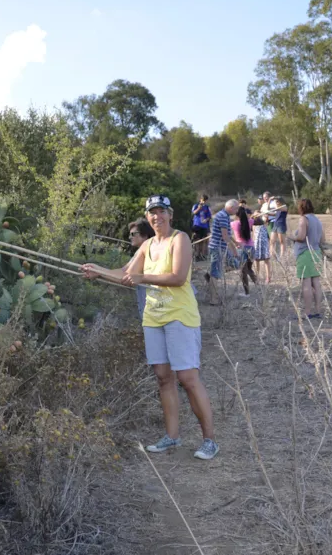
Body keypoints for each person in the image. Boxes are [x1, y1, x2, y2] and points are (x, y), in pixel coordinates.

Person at [81, 195, 218, 460]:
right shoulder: (147, 246)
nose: (157, 216)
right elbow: (126, 273)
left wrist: (142, 277)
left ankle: (209, 440)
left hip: (179, 316)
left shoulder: (180, 239)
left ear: (170, 214)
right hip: (153, 317)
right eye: (152, 213)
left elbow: (178, 277)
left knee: (187, 378)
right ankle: (172, 436)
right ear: (148, 217)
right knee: (163, 377)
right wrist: (99, 271)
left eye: (161, 211)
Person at [289, 198, 325, 319]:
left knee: (306, 283)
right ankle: (318, 311)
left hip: (305, 253)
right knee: (316, 282)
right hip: (316, 252)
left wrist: (292, 237)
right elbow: (323, 239)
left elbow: (301, 237)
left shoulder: (304, 219)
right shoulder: (317, 220)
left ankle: (307, 312)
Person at [206, 199, 239, 305]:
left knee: (235, 265)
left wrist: (235, 242)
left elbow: (227, 234)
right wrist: (234, 250)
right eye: (236, 209)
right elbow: (225, 236)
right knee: (215, 273)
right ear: (230, 208)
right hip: (217, 247)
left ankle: (211, 275)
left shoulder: (224, 215)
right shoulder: (223, 216)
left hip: (221, 247)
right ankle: (213, 299)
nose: (237, 211)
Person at [127, 218, 155, 317]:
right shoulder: (140, 252)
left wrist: (98, 271)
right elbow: (125, 272)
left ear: (145, 235)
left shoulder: (151, 250)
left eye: (133, 234)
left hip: (161, 307)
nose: (130, 237)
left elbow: (125, 274)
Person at [230, 206, 257, 296]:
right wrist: (253, 216)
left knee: (243, 271)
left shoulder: (234, 223)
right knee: (249, 269)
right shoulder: (250, 221)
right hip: (251, 248)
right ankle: (259, 287)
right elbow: (260, 221)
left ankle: (247, 293)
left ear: (236, 215)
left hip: (241, 249)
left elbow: (227, 234)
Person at [252, 195, 272, 284]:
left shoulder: (263, 221)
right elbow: (253, 233)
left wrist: (263, 214)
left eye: (258, 213)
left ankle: (268, 277)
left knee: (266, 260)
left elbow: (266, 219)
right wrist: (254, 215)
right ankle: (257, 277)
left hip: (264, 243)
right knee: (256, 260)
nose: (257, 214)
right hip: (256, 243)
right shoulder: (253, 222)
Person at [191, 195, 212, 261]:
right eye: (203, 200)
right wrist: (199, 208)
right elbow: (193, 213)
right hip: (197, 225)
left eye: (205, 200)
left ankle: (202, 255)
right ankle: (196, 255)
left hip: (204, 226)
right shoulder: (196, 205)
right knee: (197, 240)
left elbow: (209, 216)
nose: (204, 201)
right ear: (200, 199)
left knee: (203, 240)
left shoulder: (207, 207)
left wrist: (206, 219)